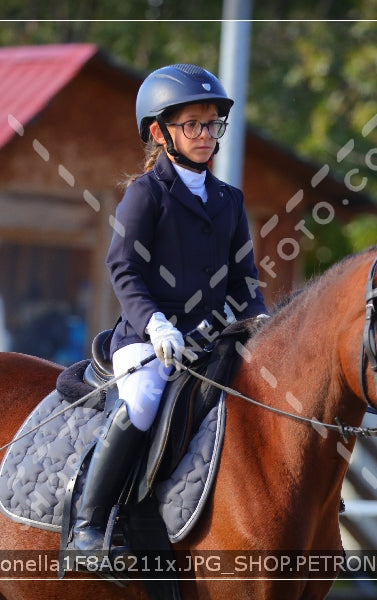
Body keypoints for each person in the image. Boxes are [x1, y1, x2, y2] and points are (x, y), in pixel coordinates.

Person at [69, 64, 268, 558]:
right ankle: (87, 526)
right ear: (160, 132)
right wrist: (155, 322)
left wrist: (260, 322)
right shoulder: (147, 193)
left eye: (212, 124)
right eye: (192, 125)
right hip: (146, 336)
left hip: (212, 337)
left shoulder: (229, 199)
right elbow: (124, 269)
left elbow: (245, 281)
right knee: (142, 396)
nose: (205, 135)